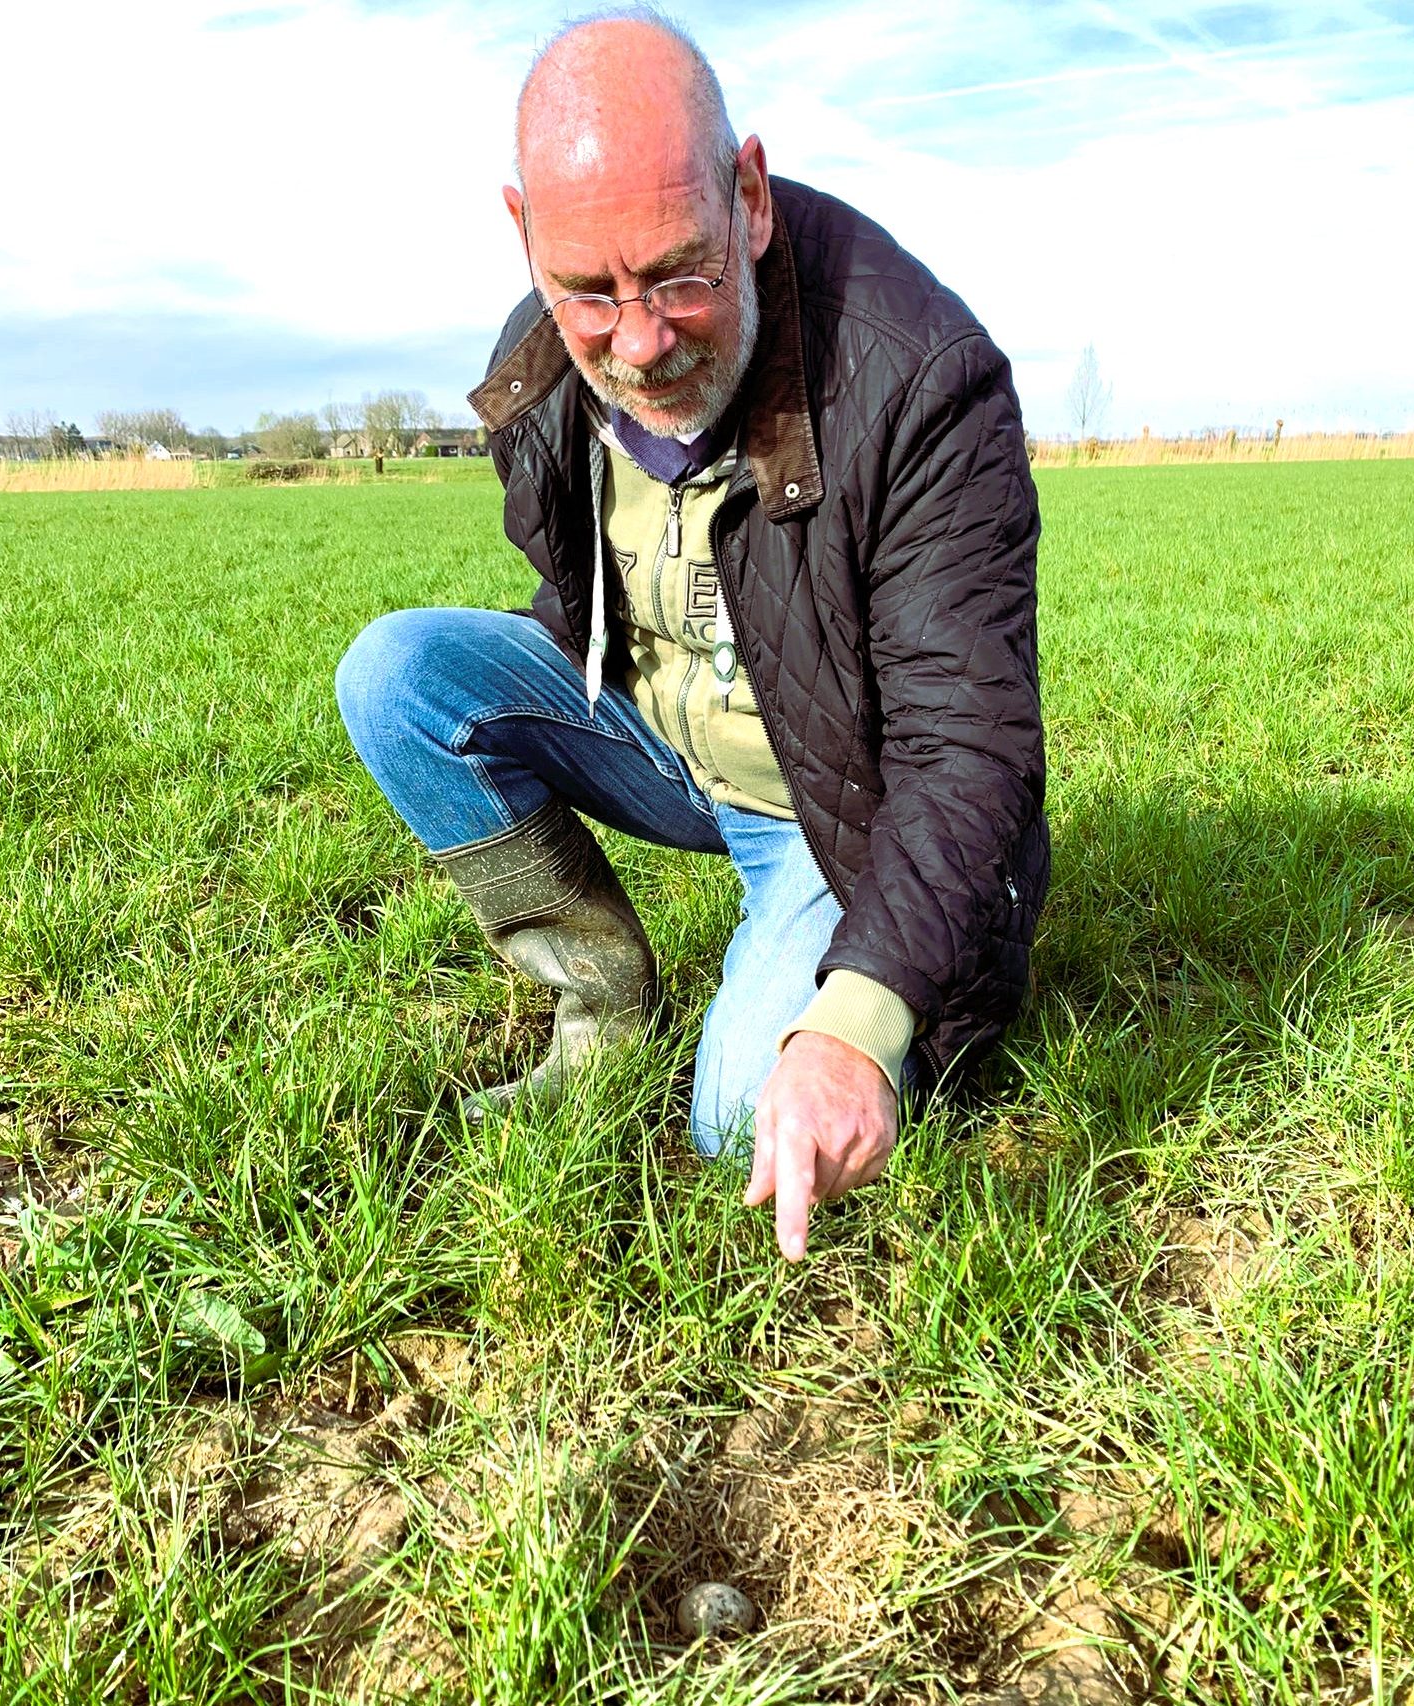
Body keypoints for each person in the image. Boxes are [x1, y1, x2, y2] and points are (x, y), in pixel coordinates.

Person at [334, 7, 1048, 1263]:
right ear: (527, 237)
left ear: (751, 197)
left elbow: (967, 747)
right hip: (662, 733)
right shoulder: (547, 354)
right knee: (398, 675)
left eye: (681, 275)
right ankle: (598, 996)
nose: (643, 340)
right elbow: (578, 584)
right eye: (590, 291)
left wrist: (856, 1028)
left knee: (738, 1122)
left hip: (840, 805)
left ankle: (819, 959)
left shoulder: (919, 380)